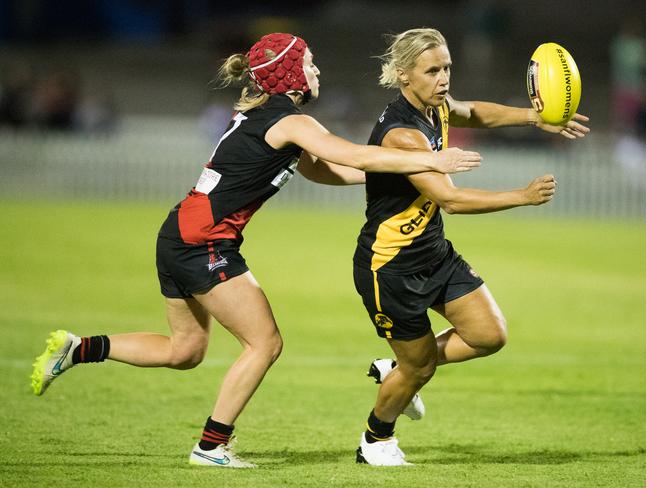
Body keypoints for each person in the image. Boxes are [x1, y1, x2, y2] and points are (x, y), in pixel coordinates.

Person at [30, 33, 483, 469]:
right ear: (291, 76)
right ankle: (212, 446)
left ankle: (79, 348)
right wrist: (431, 160)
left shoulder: (268, 114)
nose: (316, 69)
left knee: (184, 351)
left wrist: (394, 174)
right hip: (203, 243)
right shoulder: (292, 120)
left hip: (180, 235)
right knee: (264, 343)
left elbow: (324, 172)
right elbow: (354, 156)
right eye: (308, 63)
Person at [352, 28, 590, 466]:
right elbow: (451, 199)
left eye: (446, 68)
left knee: (488, 334)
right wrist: (522, 195)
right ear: (404, 75)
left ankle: (398, 372)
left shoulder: (434, 107)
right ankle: (375, 439)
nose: (443, 78)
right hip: (391, 267)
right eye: (432, 70)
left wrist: (535, 118)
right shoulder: (402, 134)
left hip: (433, 251)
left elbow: (473, 112)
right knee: (420, 368)